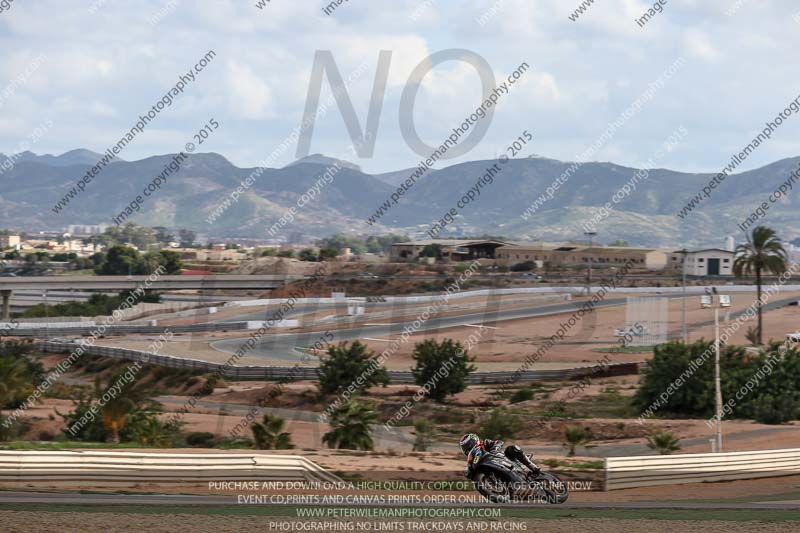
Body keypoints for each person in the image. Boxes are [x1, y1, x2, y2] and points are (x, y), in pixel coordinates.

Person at [459, 433, 540, 478]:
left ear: (474, 440)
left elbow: (499, 442)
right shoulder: (472, 458)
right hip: (491, 467)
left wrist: (495, 448)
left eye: (468, 445)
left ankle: (534, 468)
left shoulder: (485, 443)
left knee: (511, 449)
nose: (467, 448)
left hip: (504, 459)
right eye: (464, 447)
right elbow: (469, 471)